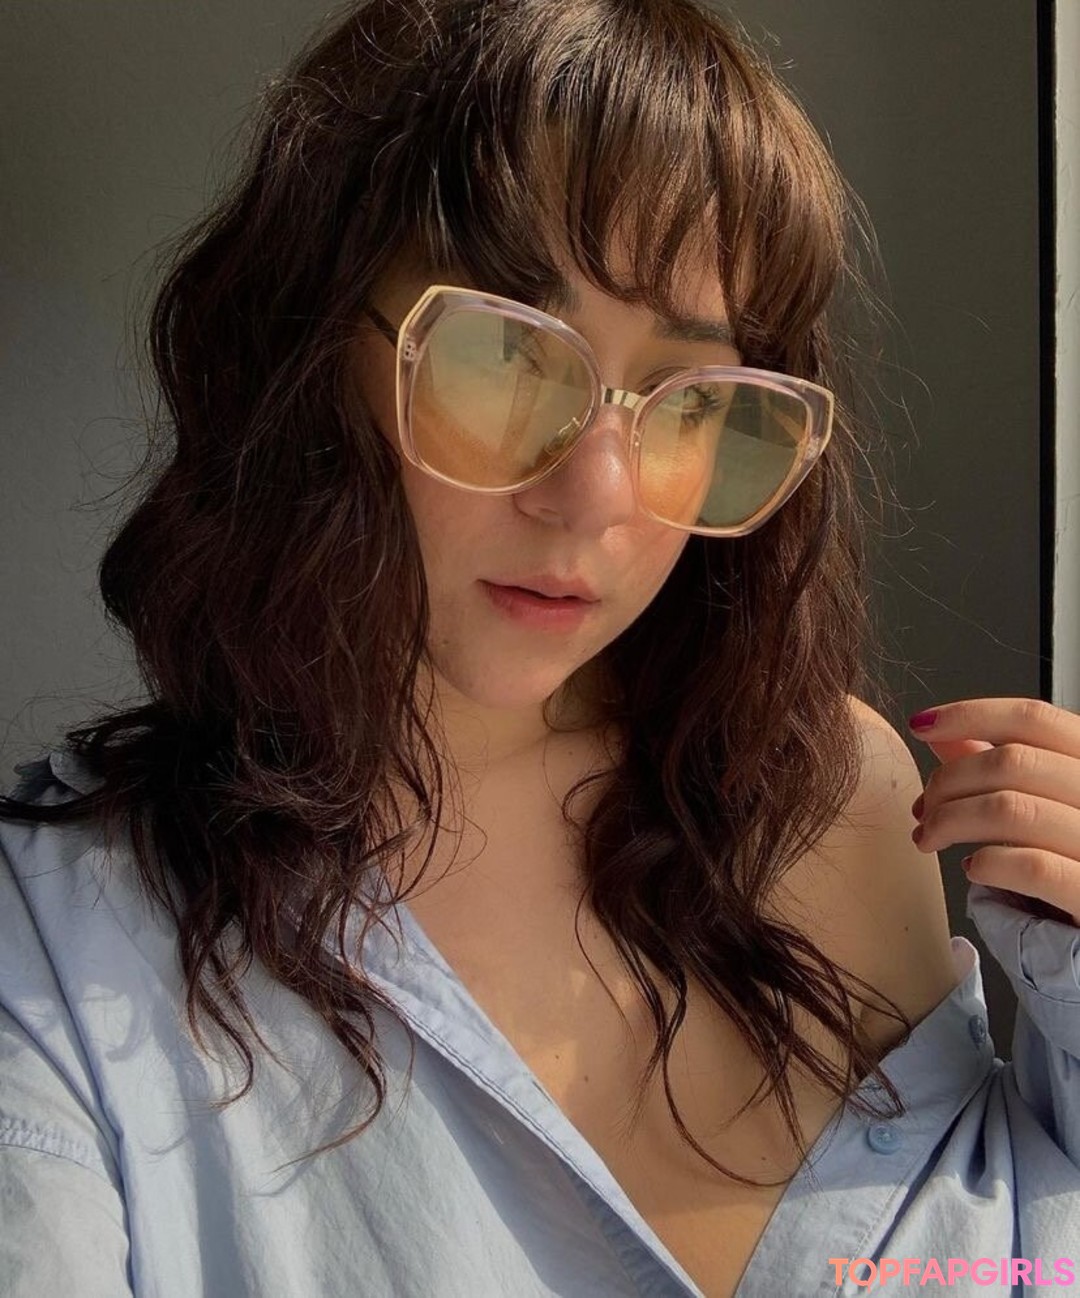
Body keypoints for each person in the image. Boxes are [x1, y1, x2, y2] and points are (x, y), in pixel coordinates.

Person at [1, 0, 1078, 1294]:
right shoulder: (64, 944)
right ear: (310, 349)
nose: (597, 497)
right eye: (508, 353)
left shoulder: (835, 792)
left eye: (692, 399)